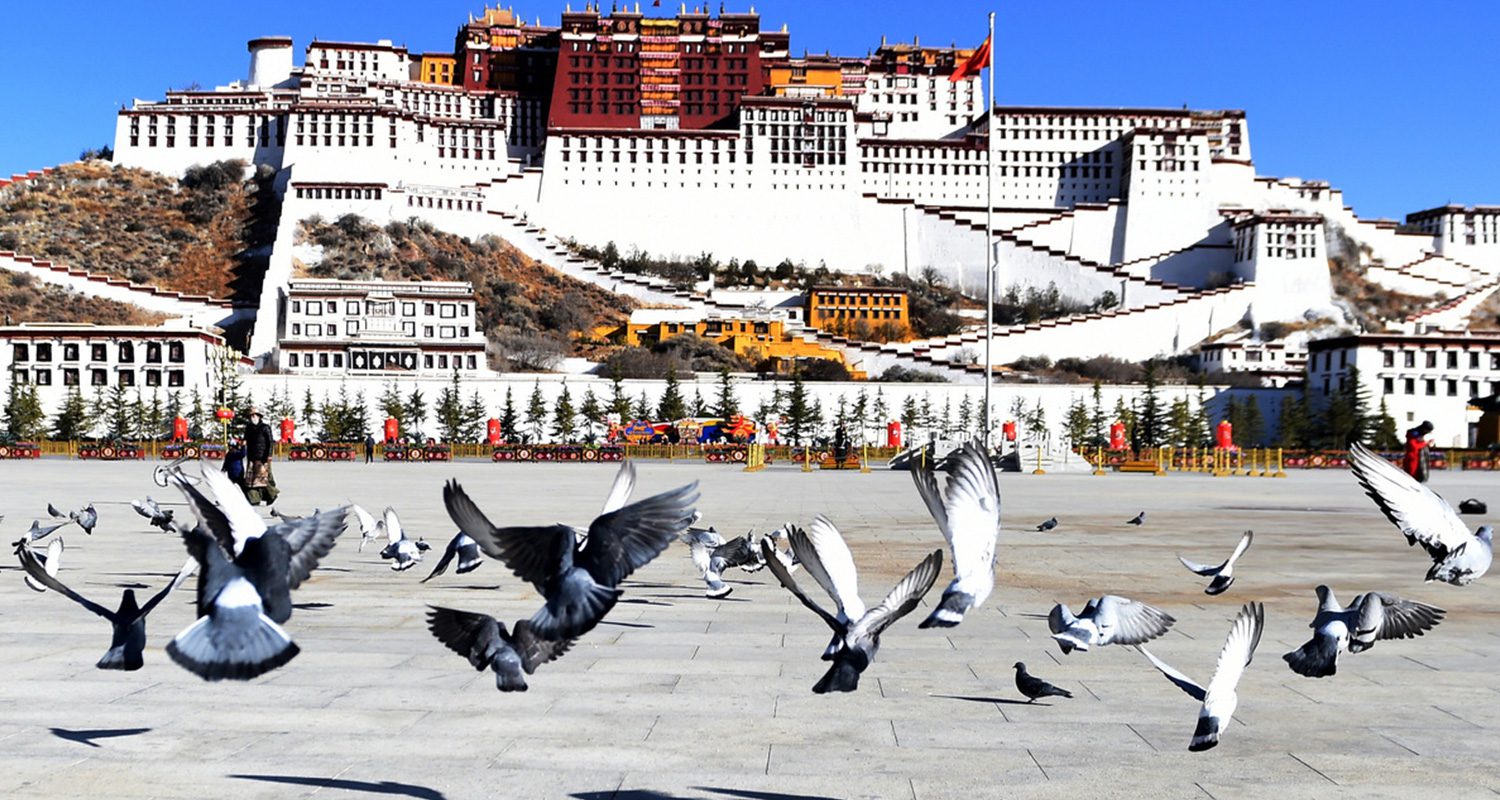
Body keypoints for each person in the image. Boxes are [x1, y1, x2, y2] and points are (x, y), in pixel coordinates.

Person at [243, 407, 278, 505]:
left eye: (254, 415)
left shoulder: (265, 427)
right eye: (251, 416)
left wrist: (269, 455)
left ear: (259, 416)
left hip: (263, 457)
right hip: (251, 457)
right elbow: (245, 440)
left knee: (263, 478)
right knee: (251, 481)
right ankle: (254, 499)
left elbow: (270, 442)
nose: (253, 417)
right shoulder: (248, 428)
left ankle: (272, 495)